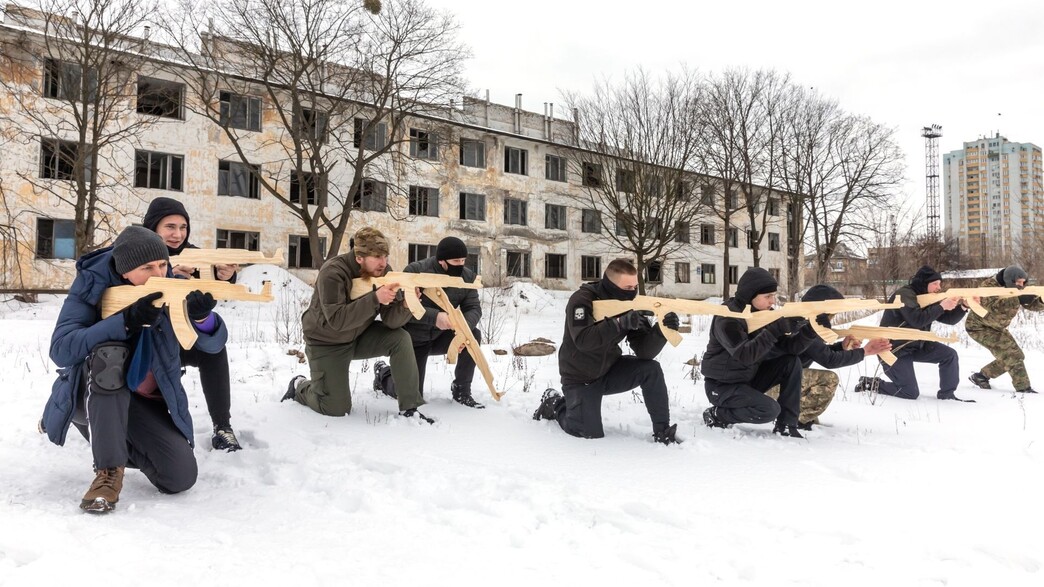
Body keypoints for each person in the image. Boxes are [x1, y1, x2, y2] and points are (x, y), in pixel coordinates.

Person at [42, 226, 226, 513]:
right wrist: (126, 321)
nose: (158, 273)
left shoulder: (171, 286)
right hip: (90, 389)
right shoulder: (92, 285)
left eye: (163, 264)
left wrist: (202, 317)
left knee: (179, 476)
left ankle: (111, 436)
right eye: (147, 267)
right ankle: (108, 475)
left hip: (138, 400)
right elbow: (61, 349)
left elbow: (211, 349)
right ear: (125, 271)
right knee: (110, 353)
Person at [282, 227, 433, 422]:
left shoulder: (383, 272)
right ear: (360, 257)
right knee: (335, 408)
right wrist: (375, 298)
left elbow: (391, 321)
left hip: (359, 335)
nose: (384, 263)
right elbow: (336, 320)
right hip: (327, 342)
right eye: (377, 256)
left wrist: (405, 306)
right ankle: (300, 386)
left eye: (385, 256)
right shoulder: (333, 272)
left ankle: (410, 408)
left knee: (400, 338)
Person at [532, 259, 681, 444]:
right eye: (627, 288)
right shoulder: (582, 300)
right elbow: (583, 341)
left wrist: (661, 331)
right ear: (611, 284)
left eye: (635, 286)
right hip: (580, 376)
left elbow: (644, 352)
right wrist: (618, 323)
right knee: (588, 433)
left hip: (609, 369)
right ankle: (554, 404)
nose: (633, 292)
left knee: (651, 369)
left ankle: (662, 431)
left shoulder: (631, 303)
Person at [142, 196, 241, 451]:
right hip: (145, 343)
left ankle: (223, 426)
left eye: (183, 227)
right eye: (170, 227)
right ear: (153, 227)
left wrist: (225, 277)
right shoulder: (136, 253)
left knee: (215, 350)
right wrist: (169, 279)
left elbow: (212, 285)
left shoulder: (195, 256)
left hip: (181, 338)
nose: (178, 234)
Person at [700, 267, 819, 438]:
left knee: (791, 362)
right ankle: (718, 415)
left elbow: (791, 349)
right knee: (769, 410)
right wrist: (775, 329)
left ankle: (787, 425)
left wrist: (810, 330)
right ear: (750, 295)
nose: (773, 301)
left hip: (748, 379)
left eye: (774, 296)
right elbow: (744, 355)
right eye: (767, 296)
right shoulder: (727, 317)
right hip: (721, 386)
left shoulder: (765, 315)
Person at [373, 236, 485, 408]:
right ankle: (383, 375)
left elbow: (474, 308)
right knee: (411, 394)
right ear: (442, 261)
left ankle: (462, 390)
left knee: (473, 335)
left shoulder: (467, 277)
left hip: (442, 337)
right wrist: (435, 317)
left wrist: (463, 329)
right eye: (456, 261)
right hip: (414, 340)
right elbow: (406, 307)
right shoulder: (415, 271)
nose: (461, 264)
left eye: (463, 260)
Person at [765, 285, 892, 429]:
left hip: (775, 384)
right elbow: (829, 360)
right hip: (772, 388)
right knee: (828, 380)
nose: (833, 318)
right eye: (832, 314)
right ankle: (794, 419)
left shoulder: (798, 321)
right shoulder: (801, 326)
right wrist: (865, 352)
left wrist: (841, 347)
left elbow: (818, 351)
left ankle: (796, 415)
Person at [857, 265, 970, 401]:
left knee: (949, 355)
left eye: (939, 283)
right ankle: (870, 384)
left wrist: (964, 306)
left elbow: (949, 319)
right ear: (923, 283)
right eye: (934, 284)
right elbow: (917, 319)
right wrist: (941, 306)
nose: (938, 287)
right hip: (893, 349)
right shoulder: (905, 294)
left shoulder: (927, 297)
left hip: (916, 345)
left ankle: (947, 395)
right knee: (909, 392)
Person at [966, 265, 1044, 393]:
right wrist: (1014, 296)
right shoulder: (988, 287)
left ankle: (981, 376)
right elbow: (993, 311)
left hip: (996, 327)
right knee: (1012, 356)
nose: (1021, 285)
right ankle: (1024, 389)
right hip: (979, 327)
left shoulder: (1013, 289)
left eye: (1023, 283)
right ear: (1010, 280)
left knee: (1017, 355)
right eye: (1018, 282)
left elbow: (1030, 304)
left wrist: (1040, 300)